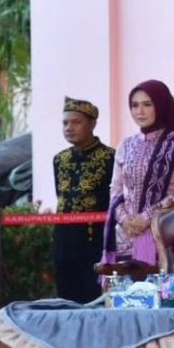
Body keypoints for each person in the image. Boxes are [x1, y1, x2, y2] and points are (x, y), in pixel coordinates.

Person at [102, 80, 174, 266]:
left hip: (160, 233)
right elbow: (115, 191)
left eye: (147, 104)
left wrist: (146, 218)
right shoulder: (126, 144)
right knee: (122, 291)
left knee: (154, 290)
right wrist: (125, 219)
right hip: (124, 234)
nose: (139, 111)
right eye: (135, 105)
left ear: (161, 105)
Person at [52, 97, 115, 303]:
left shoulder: (110, 157)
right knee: (65, 299)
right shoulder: (60, 159)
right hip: (64, 239)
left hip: (94, 241)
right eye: (65, 123)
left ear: (92, 124)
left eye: (76, 122)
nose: (69, 128)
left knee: (93, 299)